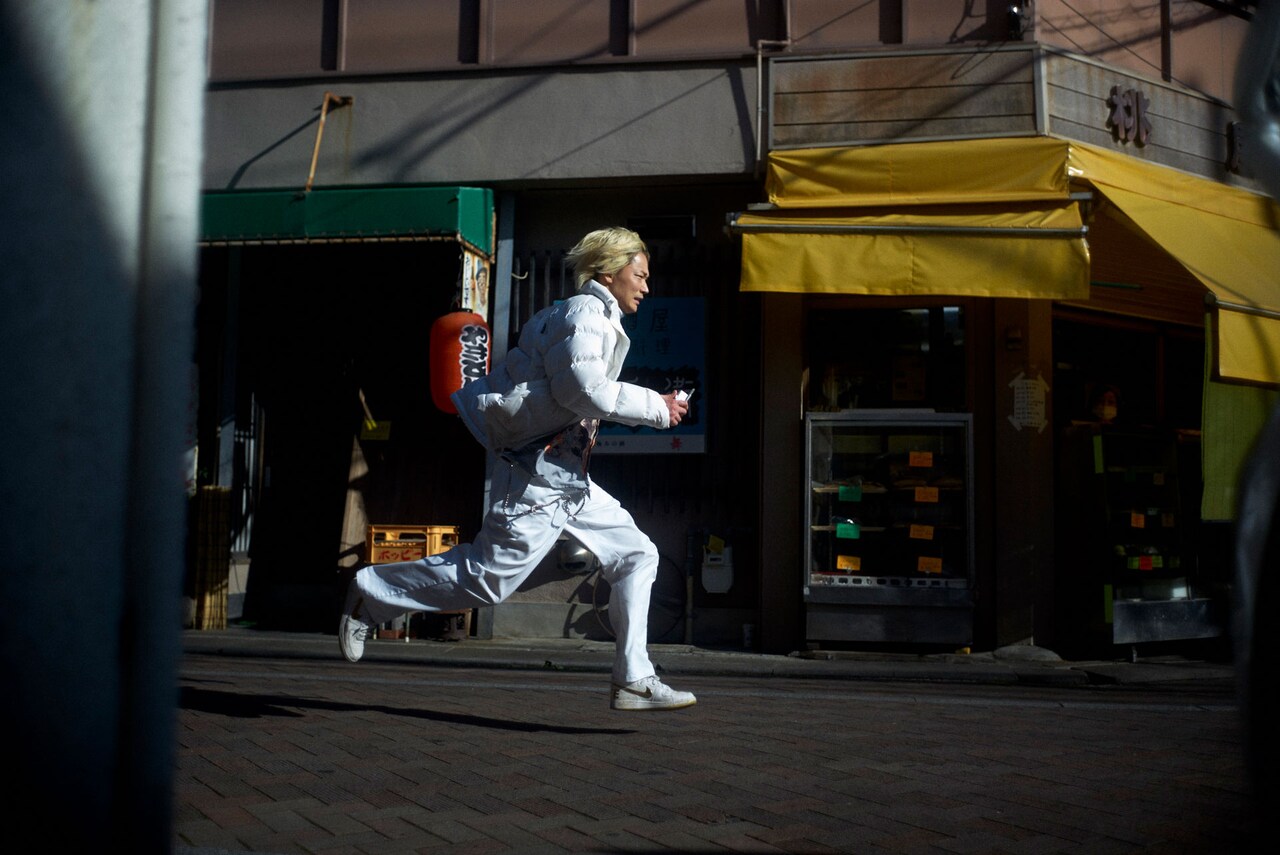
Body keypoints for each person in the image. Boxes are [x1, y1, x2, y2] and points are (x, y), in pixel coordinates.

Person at [338, 227, 697, 711]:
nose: (646, 287)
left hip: (562, 473)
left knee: (637, 555)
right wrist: (656, 406)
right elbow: (582, 390)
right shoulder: (585, 314)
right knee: (489, 580)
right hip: (537, 475)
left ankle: (633, 677)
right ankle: (372, 592)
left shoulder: (587, 315)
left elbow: (574, 393)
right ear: (609, 274)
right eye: (640, 275)